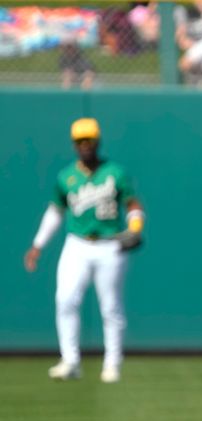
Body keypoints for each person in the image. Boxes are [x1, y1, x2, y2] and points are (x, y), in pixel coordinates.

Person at [24, 118, 145, 384]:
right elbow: (56, 211)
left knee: (111, 306)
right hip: (77, 244)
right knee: (65, 299)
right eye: (80, 141)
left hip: (110, 244)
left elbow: (133, 205)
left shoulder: (115, 172)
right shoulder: (66, 176)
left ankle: (112, 363)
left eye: (89, 139)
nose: (85, 145)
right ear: (74, 144)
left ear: (98, 141)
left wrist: (135, 228)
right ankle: (70, 361)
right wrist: (38, 244)